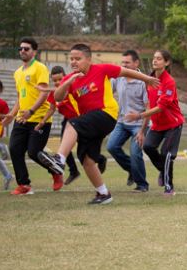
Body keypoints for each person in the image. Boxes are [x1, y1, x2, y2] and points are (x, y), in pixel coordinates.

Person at [38, 43, 159, 205]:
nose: (74, 62)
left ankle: (59, 159)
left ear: (88, 59)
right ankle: (103, 194)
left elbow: (125, 71)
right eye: (71, 59)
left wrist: (147, 79)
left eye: (78, 59)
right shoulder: (70, 78)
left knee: (72, 123)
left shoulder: (101, 69)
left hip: (106, 114)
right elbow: (58, 97)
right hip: (90, 121)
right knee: (86, 158)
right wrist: (67, 82)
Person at [5, 37, 59, 195]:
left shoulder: (40, 68)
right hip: (22, 118)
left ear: (34, 51)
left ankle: (56, 170)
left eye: (26, 48)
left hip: (39, 118)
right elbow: (20, 97)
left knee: (34, 152)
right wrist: (11, 114)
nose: (22, 51)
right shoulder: (17, 73)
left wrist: (32, 111)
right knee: (14, 149)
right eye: (20, 48)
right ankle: (24, 185)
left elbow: (43, 93)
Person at [131, 50, 183, 197]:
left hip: (173, 124)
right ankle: (163, 169)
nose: (155, 61)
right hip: (157, 125)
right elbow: (149, 105)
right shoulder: (149, 80)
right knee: (147, 146)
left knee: (167, 154)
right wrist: (142, 129)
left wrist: (139, 115)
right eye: (154, 58)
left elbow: (161, 107)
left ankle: (168, 187)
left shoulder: (169, 82)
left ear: (166, 63)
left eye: (159, 59)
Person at [107, 50, 149, 192]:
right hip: (122, 122)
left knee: (135, 153)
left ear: (136, 63)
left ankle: (142, 185)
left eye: (127, 63)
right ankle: (132, 170)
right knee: (111, 147)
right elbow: (107, 92)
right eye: (122, 62)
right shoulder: (118, 77)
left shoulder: (144, 81)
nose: (123, 65)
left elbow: (149, 108)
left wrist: (143, 131)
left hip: (140, 124)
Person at [37, 65, 85, 186]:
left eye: (60, 79)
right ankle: (73, 171)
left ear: (65, 77)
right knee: (64, 146)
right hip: (67, 121)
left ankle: (100, 159)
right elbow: (51, 109)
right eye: (55, 81)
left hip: (79, 119)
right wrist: (42, 121)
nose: (58, 82)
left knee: (85, 148)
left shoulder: (70, 87)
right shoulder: (55, 93)